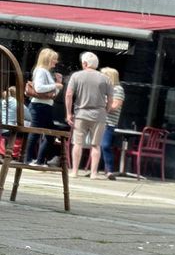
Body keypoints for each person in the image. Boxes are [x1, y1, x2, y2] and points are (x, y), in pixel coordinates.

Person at [65, 51, 111, 179]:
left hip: (81, 114)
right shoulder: (105, 78)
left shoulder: (76, 76)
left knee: (78, 143)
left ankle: (74, 171)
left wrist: (69, 113)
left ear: (84, 63)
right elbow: (110, 98)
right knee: (96, 145)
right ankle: (94, 173)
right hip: (99, 115)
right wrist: (105, 110)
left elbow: (69, 95)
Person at [24, 48, 64, 166]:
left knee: (49, 135)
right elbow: (39, 88)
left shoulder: (45, 72)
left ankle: (39, 160)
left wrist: (58, 83)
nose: (56, 61)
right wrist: (55, 84)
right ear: (48, 59)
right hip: (39, 106)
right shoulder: (41, 71)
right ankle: (29, 160)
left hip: (45, 106)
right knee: (36, 132)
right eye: (54, 59)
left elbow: (52, 95)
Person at [99, 67, 126, 180]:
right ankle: (96, 169)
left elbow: (115, 106)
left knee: (105, 145)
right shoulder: (103, 89)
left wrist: (102, 103)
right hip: (99, 120)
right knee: (97, 146)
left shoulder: (117, 89)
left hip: (109, 122)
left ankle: (109, 170)